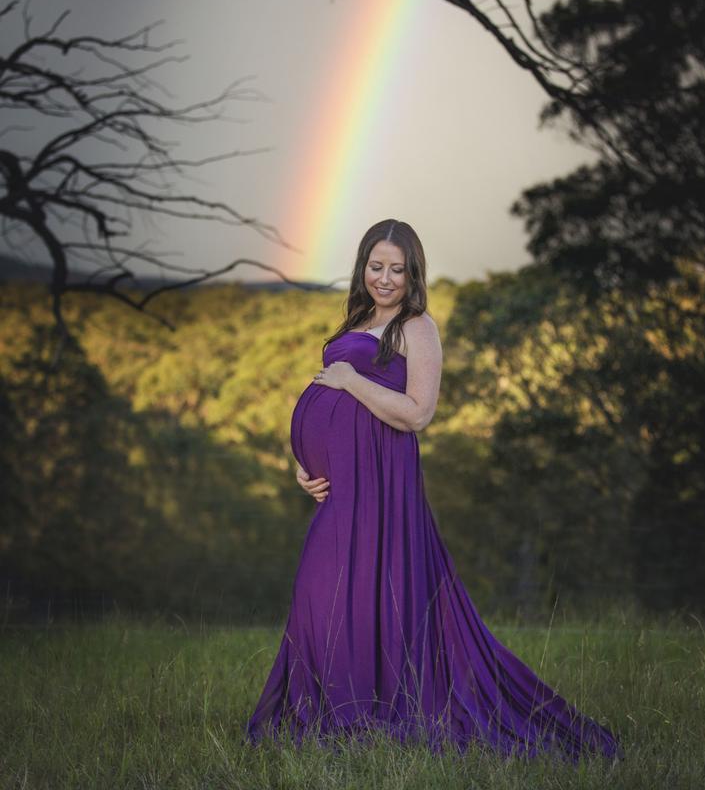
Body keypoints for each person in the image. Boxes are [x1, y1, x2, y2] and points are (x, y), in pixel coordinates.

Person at [245, 219, 621, 761]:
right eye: (377, 267)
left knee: (380, 599)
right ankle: (327, 715)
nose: (385, 278)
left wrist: (353, 381)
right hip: (341, 490)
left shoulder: (417, 328)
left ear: (413, 272)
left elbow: (418, 413)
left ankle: (367, 719)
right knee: (318, 596)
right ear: (363, 267)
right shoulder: (358, 320)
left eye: (397, 269)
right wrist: (305, 465)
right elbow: (329, 409)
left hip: (383, 489)